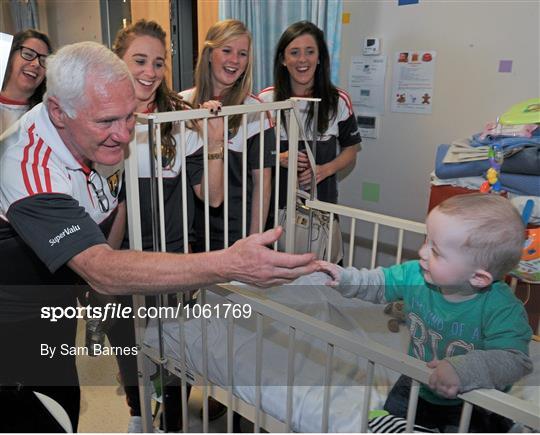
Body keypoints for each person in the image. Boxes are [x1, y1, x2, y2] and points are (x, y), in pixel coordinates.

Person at [0, 41, 318, 432]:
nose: (123, 134)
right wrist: (231, 263)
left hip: (50, 304)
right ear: (58, 113)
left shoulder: (96, 135)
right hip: (13, 327)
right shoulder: (26, 164)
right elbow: (101, 269)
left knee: (65, 404)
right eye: (107, 122)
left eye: (129, 117)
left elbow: (111, 208)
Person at [318, 193, 533, 432]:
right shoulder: (416, 275)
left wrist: (462, 369)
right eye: (426, 241)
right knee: (390, 421)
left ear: (478, 277)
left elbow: (515, 359)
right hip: (418, 382)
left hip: (473, 397)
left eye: (436, 252)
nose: (422, 252)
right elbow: (380, 282)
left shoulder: (501, 308)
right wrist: (346, 278)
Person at [180, 19, 274, 251]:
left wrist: (254, 243)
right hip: (188, 236)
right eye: (227, 50)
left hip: (236, 235)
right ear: (210, 54)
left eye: (242, 54)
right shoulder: (183, 105)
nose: (235, 60)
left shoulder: (255, 110)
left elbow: (262, 183)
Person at [259, 20, 360, 208]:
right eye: (294, 52)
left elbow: (351, 150)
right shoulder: (265, 100)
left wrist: (324, 170)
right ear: (283, 59)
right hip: (273, 207)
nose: (302, 59)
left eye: (310, 51)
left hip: (321, 207)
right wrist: (278, 158)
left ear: (319, 57)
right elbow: (250, 153)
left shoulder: (338, 101)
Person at [0, 29, 52, 134]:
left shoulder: (49, 115)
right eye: (28, 54)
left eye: (43, 61)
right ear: (10, 56)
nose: (36, 64)